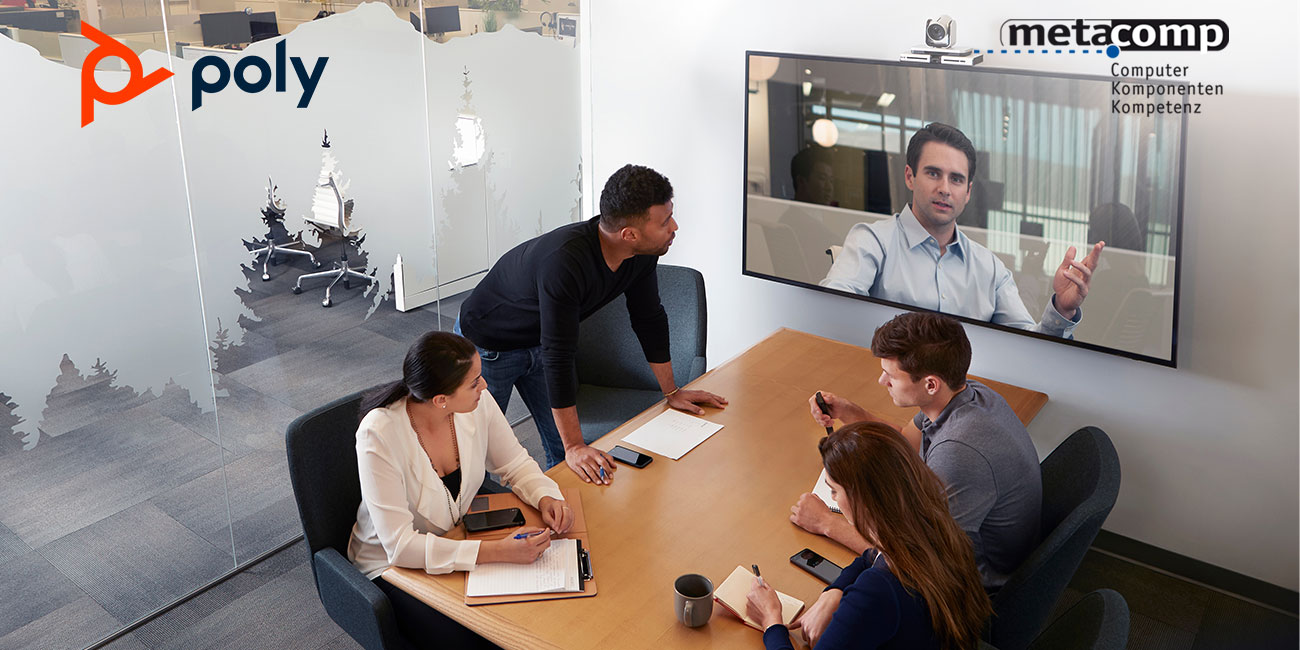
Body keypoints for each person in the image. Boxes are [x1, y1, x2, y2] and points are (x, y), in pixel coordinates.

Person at [456, 164, 727, 484]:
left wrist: (672, 392)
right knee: (472, 457)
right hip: (489, 343)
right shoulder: (565, 262)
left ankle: (564, 518)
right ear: (630, 234)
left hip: (540, 342)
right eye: (666, 220)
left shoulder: (640, 254)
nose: (675, 226)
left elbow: (649, 318)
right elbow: (557, 353)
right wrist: (574, 445)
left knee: (565, 451)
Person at [348, 332, 573, 645]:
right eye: (474, 382)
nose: (485, 386)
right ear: (441, 400)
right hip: (392, 568)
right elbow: (400, 547)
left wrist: (546, 495)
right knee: (480, 636)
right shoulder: (379, 434)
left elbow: (514, 463)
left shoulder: (475, 404)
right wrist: (496, 552)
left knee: (532, 614)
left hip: (455, 537)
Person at [793, 312, 1042, 590]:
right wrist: (850, 412)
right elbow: (906, 443)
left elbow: (921, 561)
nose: (881, 381)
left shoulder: (957, 452)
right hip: (972, 547)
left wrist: (827, 523)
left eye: (890, 376)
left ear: (930, 384)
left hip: (970, 585)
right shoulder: (967, 394)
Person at [820, 122, 1105, 338]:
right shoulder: (873, 241)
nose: (944, 188)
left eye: (956, 179)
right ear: (910, 176)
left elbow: (1028, 350)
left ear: (968, 192)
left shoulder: (990, 269)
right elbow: (831, 310)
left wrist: (1062, 310)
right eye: (933, 173)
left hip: (964, 404)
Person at [748, 422, 992, 649]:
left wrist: (771, 621)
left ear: (863, 499)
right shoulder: (934, 527)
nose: (831, 499)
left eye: (833, 491)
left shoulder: (878, 590)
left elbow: (874, 577)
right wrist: (835, 592)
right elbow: (870, 556)